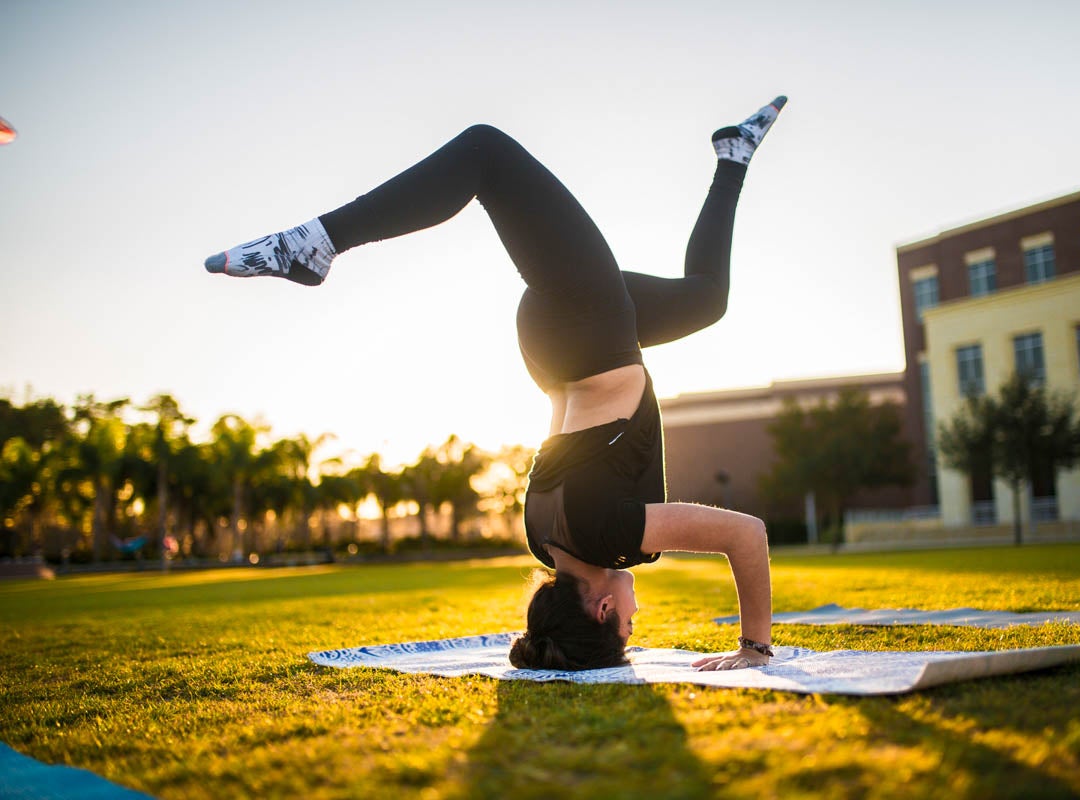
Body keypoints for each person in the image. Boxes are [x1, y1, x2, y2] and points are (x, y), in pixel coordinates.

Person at [205, 97, 787, 672]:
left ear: (606, 608)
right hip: (551, 351)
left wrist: (754, 649)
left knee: (485, 152)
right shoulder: (543, 539)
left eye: (630, 622)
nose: (638, 612)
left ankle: (315, 244)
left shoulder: (614, 536)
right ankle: (732, 154)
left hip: (588, 335)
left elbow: (748, 536)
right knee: (706, 300)